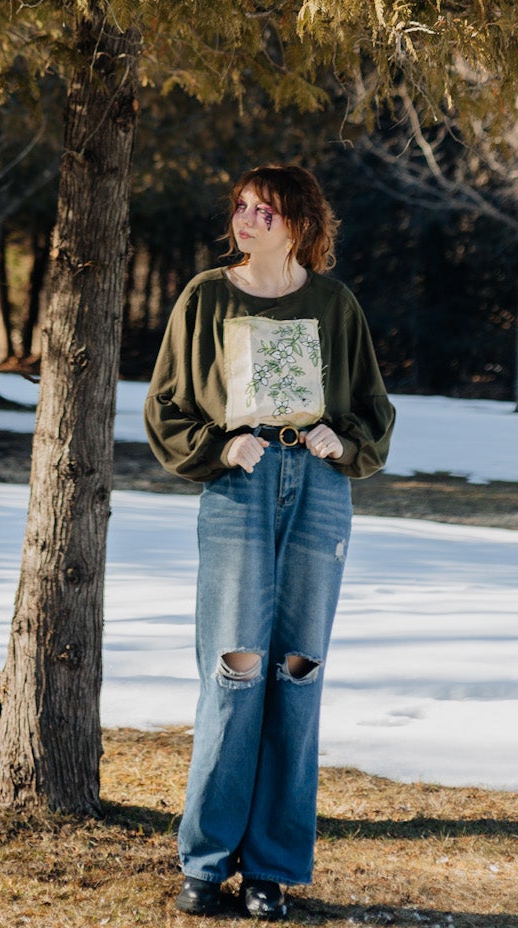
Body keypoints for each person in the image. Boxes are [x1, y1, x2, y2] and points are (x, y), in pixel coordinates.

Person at [144, 164, 395, 921]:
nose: (247, 220)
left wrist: (336, 439)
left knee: (296, 669)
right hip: (239, 489)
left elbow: (372, 412)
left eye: (265, 211)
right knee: (235, 666)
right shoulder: (206, 296)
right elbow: (165, 405)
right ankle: (207, 858)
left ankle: (273, 867)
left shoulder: (333, 303)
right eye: (242, 209)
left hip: (317, 493)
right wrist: (220, 449)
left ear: (300, 226)